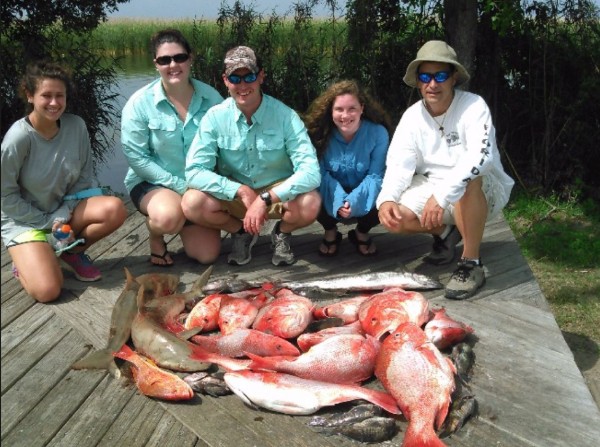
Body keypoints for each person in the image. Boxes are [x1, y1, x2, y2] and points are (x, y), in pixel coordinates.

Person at [376, 40, 514, 300]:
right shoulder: (411, 117)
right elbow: (398, 165)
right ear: (418, 81)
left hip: (482, 190)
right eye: (425, 76)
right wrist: (386, 200)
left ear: (454, 78)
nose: (433, 84)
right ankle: (447, 234)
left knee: (467, 182)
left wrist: (441, 196)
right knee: (397, 216)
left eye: (440, 75)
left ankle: (471, 263)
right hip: (434, 189)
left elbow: (480, 159)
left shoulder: (474, 106)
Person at [182, 45, 321, 267]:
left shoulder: (286, 116)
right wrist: (239, 190)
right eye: (235, 78)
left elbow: (311, 172)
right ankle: (240, 233)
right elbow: (194, 172)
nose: (243, 85)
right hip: (237, 196)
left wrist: (266, 198)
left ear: (261, 77)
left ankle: (281, 233)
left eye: (250, 76)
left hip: (276, 194)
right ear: (225, 81)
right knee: (191, 202)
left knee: (311, 202)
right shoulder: (214, 117)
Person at [1, 61, 127, 303]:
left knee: (114, 208)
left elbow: (84, 179)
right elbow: (5, 197)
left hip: (62, 211)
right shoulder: (18, 138)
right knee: (48, 291)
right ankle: (27, 263)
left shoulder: (76, 126)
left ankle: (70, 253)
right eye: (46, 95)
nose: (54, 102)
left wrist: (62, 212)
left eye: (60, 95)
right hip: (24, 221)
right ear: (30, 96)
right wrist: (48, 222)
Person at [121, 29, 224, 266]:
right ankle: (157, 237)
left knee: (206, 255)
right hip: (152, 183)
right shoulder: (139, 103)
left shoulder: (212, 98)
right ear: (156, 64)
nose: (173, 64)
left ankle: (186, 217)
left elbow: (225, 148)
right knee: (168, 217)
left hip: (197, 187)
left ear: (190, 58)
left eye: (179, 57)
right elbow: (137, 158)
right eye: (164, 60)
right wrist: (180, 186)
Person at [303, 80, 392, 257]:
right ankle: (330, 231)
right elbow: (319, 174)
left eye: (352, 108)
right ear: (331, 111)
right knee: (310, 192)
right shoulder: (319, 134)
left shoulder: (378, 133)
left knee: (388, 195)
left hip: (367, 190)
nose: (345, 115)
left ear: (362, 109)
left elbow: (376, 175)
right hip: (330, 189)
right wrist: (339, 198)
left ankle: (362, 231)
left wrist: (354, 200)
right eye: (339, 109)